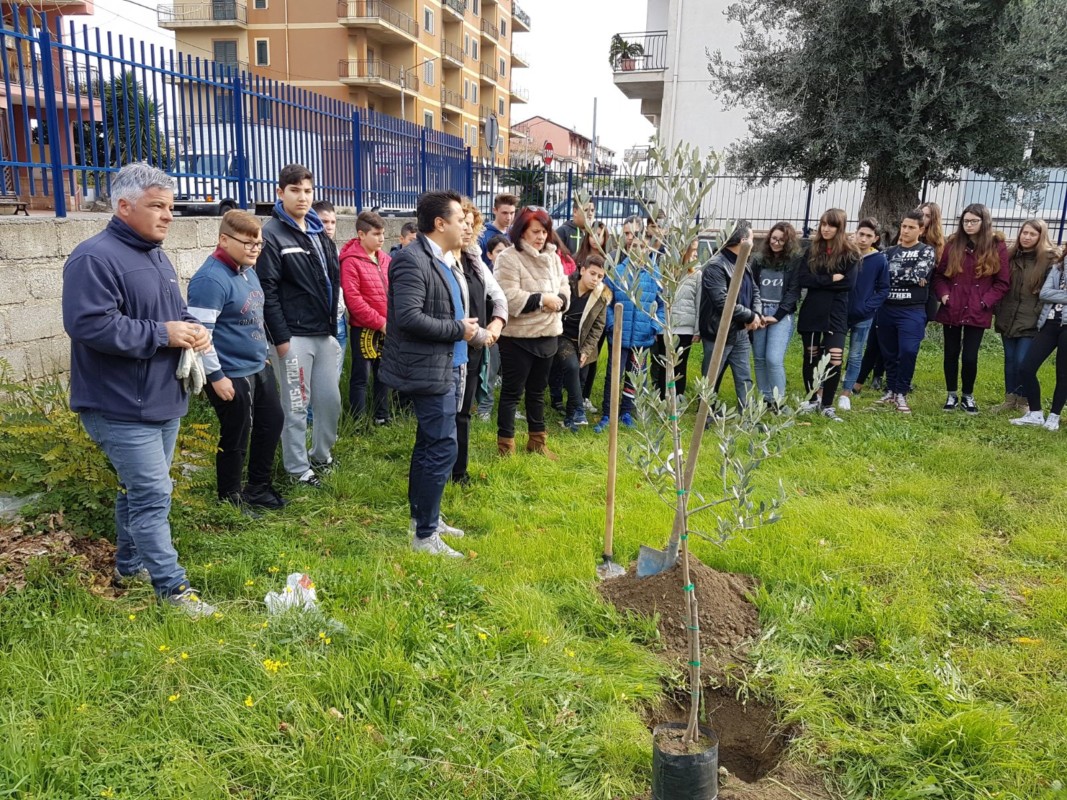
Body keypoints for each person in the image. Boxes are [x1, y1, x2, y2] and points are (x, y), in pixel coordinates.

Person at [61, 162, 215, 617]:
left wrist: (192, 329)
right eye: (157, 206)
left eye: (170, 207)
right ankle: (174, 590)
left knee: (137, 491)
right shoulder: (94, 258)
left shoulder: (155, 255)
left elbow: (173, 312)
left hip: (161, 399)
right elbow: (90, 324)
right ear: (124, 206)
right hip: (118, 404)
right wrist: (163, 334)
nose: (168, 216)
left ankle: (129, 568)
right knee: (152, 495)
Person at [380, 190, 478, 557]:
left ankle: (426, 520)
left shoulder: (444, 258)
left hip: (447, 364)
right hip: (428, 368)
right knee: (440, 447)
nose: (465, 226)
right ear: (440, 223)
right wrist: (458, 330)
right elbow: (408, 317)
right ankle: (424, 536)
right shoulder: (411, 260)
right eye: (459, 220)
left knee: (430, 444)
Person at [187, 210, 286, 514]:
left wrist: (263, 355)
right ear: (224, 239)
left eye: (259, 244)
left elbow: (254, 315)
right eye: (248, 243)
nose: (255, 249)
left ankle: (258, 487)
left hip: (257, 365)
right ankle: (230, 497)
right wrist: (216, 376)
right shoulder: (210, 280)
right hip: (229, 372)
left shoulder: (247, 269)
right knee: (237, 434)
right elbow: (200, 336)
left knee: (272, 422)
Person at [258, 164, 342, 487]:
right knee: (295, 406)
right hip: (292, 337)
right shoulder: (272, 234)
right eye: (294, 191)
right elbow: (267, 291)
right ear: (280, 193)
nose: (302, 197)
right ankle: (297, 470)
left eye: (308, 191)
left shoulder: (319, 231)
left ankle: (321, 456)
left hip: (324, 333)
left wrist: (332, 329)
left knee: (330, 402)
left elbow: (330, 281)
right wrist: (281, 339)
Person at [495, 205, 570, 457]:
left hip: (548, 334)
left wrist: (560, 300)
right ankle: (506, 446)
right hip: (518, 338)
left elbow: (564, 286)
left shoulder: (553, 256)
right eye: (535, 231)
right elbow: (507, 296)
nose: (541, 237)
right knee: (512, 393)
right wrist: (542, 300)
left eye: (544, 231)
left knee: (537, 391)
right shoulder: (508, 257)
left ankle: (537, 442)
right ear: (521, 231)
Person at [931, 203, 1010, 414]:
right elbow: (939, 276)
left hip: (977, 308)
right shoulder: (953, 244)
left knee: (969, 356)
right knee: (950, 353)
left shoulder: (997, 246)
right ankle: (951, 394)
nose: (969, 225)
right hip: (953, 306)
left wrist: (985, 301)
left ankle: (968, 395)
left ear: (984, 222)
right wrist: (944, 295)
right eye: (965, 221)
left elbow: (1002, 282)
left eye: (974, 221)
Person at [451, 197, 507, 484]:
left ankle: (458, 472)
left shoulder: (474, 259)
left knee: (464, 412)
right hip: (449, 346)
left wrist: (496, 323)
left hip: (474, 346)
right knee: (445, 413)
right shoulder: (441, 260)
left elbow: (498, 296)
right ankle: (440, 469)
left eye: (472, 224)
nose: (467, 229)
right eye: (462, 223)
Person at [593, 217, 663, 433]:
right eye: (633, 247)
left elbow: (662, 305)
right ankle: (608, 413)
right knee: (613, 375)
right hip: (619, 335)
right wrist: (612, 324)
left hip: (643, 336)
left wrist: (654, 326)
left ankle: (627, 412)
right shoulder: (617, 272)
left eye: (642, 247)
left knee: (635, 375)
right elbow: (606, 300)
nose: (637, 250)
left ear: (648, 248)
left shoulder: (655, 275)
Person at [796, 208, 860, 421]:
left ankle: (827, 405)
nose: (825, 229)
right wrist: (830, 279)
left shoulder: (850, 253)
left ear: (840, 228)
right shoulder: (812, 250)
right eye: (823, 224)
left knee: (835, 358)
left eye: (831, 225)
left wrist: (819, 282)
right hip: (812, 311)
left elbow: (848, 284)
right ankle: (812, 399)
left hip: (836, 313)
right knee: (811, 357)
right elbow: (803, 279)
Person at [992, 218, 1058, 412]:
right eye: (1024, 232)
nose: (1027, 237)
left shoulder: (1049, 260)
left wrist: (1038, 314)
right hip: (1007, 316)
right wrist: (998, 308)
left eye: (1032, 234)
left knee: (1023, 362)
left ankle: (1023, 401)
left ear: (1041, 236)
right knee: (1010, 360)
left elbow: (1048, 291)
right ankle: (1009, 399)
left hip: (1031, 319)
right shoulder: (1010, 256)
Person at [875, 210, 937, 413]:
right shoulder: (888, 252)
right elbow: (881, 275)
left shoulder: (926, 251)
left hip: (912, 310)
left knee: (908, 351)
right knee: (889, 353)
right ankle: (891, 390)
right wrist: (909, 273)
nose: (906, 230)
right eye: (904, 226)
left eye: (911, 227)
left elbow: (919, 274)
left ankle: (902, 391)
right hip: (887, 308)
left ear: (921, 230)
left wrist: (898, 273)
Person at [698, 220, 762, 409]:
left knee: (744, 377)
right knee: (711, 378)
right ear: (743, 241)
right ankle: (705, 415)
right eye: (752, 239)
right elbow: (723, 302)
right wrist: (750, 316)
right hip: (719, 332)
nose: (753, 244)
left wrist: (756, 314)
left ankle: (748, 417)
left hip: (741, 332)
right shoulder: (716, 266)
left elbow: (755, 290)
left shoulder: (743, 263)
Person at [339, 211, 392, 424]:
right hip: (364, 328)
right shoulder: (350, 261)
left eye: (383, 234)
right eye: (376, 234)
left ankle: (382, 416)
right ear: (361, 234)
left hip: (387, 326)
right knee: (361, 376)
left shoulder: (385, 259)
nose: (381, 239)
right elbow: (353, 300)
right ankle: (358, 422)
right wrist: (379, 322)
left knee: (384, 373)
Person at [837, 218, 889, 411]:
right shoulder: (846, 253)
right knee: (834, 353)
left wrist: (868, 307)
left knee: (855, 355)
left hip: (863, 316)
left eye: (869, 236)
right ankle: (824, 388)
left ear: (875, 238)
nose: (864, 239)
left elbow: (883, 289)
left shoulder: (879, 260)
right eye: (861, 234)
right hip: (840, 313)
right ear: (855, 233)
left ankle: (846, 393)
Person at [1011, 253, 1067, 431]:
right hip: (1048, 323)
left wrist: (1055, 294)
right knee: (1026, 368)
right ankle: (1035, 413)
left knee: (1063, 374)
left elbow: (1050, 294)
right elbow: (1044, 293)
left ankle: (1054, 416)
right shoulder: (1058, 267)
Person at [556, 254, 611, 431]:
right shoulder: (565, 285)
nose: (595, 279)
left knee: (580, 378)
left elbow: (598, 327)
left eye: (600, 276)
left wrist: (586, 350)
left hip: (584, 342)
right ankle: (580, 409)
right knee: (572, 366)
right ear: (583, 270)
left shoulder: (601, 296)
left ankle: (570, 419)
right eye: (592, 274)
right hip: (561, 336)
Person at [751, 221, 802, 406]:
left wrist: (777, 316)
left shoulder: (795, 261)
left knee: (773, 359)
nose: (776, 243)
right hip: (759, 311)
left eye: (781, 240)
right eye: (774, 238)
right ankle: (765, 398)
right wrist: (756, 313)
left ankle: (779, 400)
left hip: (781, 314)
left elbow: (793, 291)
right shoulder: (758, 259)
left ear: (788, 243)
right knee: (759, 358)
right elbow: (752, 286)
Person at [476, 234, 511, 421]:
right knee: (489, 372)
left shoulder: (513, 274)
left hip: (512, 332)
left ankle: (510, 408)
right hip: (490, 332)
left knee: (511, 375)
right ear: (489, 254)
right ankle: (484, 409)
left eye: (507, 251)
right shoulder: (483, 273)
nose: (503, 255)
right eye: (499, 252)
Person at [312, 200, 346, 372]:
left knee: (335, 377)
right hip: (319, 323)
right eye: (324, 221)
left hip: (339, 319)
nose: (330, 227)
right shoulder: (308, 250)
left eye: (333, 222)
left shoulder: (335, 249)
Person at [670, 240, 703, 400]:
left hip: (685, 328)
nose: (695, 254)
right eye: (693, 249)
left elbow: (699, 302)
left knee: (680, 365)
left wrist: (697, 330)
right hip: (667, 327)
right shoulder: (668, 272)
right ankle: (664, 397)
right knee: (666, 365)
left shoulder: (696, 274)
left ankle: (678, 398)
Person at [478, 192, 518, 269]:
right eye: (504, 213)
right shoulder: (482, 235)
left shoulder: (516, 233)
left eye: (512, 213)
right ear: (494, 210)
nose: (509, 217)